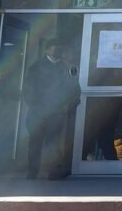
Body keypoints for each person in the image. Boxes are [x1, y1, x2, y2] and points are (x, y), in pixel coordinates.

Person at [22, 37, 81, 179]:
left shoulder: (66, 67)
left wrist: (68, 104)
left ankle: (53, 171)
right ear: (47, 50)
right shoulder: (36, 67)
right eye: (55, 47)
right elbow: (28, 89)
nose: (58, 50)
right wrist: (35, 104)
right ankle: (32, 171)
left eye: (60, 47)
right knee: (35, 141)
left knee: (53, 142)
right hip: (38, 111)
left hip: (57, 111)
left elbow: (74, 87)